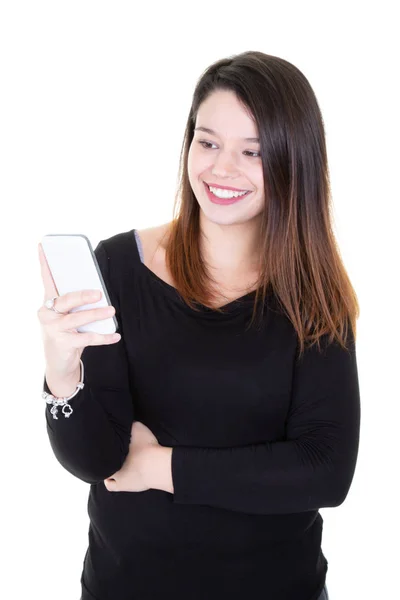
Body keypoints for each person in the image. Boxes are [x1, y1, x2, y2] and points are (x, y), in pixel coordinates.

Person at [37, 51, 360, 600]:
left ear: (292, 161)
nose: (220, 169)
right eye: (207, 142)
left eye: (252, 152)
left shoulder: (312, 291)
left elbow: (325, 471)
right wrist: (63, 374)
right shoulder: (119, 266)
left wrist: (163, 467)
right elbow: (98, 461)